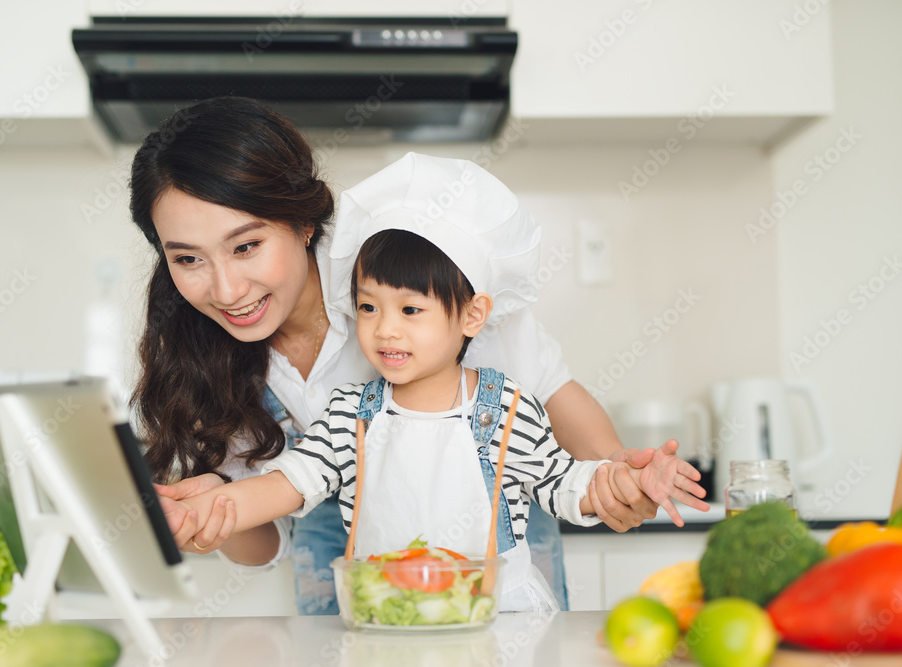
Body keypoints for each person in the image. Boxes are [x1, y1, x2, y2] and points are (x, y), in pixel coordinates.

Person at [129, 96, 687, 615]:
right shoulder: (214, 359)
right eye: (188, 259)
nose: (225, 290)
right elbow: (284, 495)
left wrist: (617, 477)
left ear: (302, 221)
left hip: (495, 557)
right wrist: (209, 511)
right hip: (363, 569)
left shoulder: (416, 266)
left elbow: (560, 428)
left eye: (246, 245)